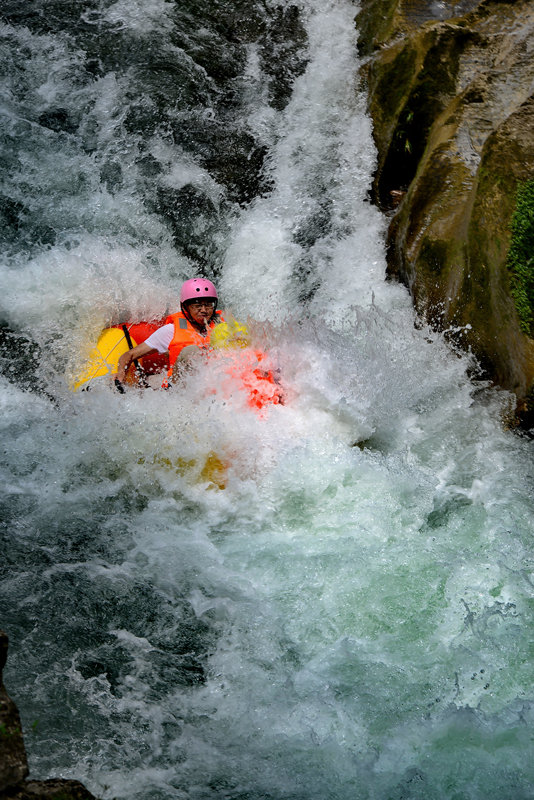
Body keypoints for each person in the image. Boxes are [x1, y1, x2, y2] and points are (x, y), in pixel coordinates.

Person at [114, 278, 223, 387]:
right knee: (191, 351)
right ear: (186, 307)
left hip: (217, 384)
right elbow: (130, 354)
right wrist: (121, 374)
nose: (204, 310)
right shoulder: (171, 330)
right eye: (197, 305)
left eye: (208, 304)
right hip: (182, 387)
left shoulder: (223, 327)